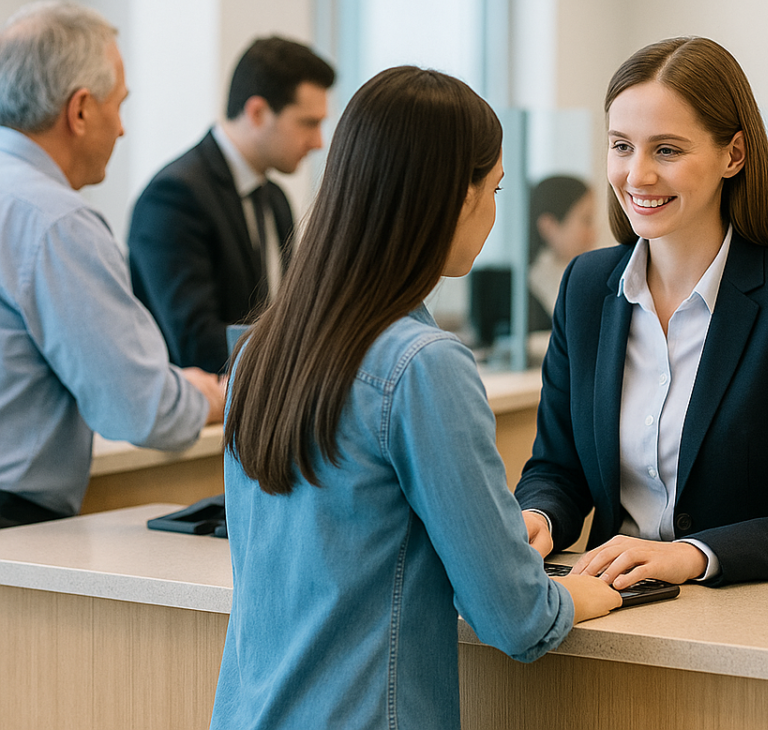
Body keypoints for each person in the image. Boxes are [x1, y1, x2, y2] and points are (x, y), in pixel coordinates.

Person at [210, 66, 621, 730]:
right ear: (459, 197)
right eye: (494, 189)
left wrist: (489, 535)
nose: (493, 211)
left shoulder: (260, 350)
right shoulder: (423, 367)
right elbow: (514, 618)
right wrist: (578, 593)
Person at [515, 36, 768, 588]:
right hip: (609, 609)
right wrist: (537, 516)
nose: (636, 175)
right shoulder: (587, 287)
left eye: (666, 150)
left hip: (747, 624)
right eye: (621, 146)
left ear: (732, 155)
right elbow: (557, 468)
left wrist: (696, 554)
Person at [0, 0, 223, 529]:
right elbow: (139, 409)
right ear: (79, 111)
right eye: (118, 105)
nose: (122, 129)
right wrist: (206, 397)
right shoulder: (56, 222)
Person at [128, 36, 335, 373]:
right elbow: (196, 343)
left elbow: (281, 314)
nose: (317, 142)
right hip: (198, 417)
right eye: (308, 123)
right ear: (257, 112)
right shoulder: (173, 197)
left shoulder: (276, 200)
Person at [527, 175, 597, 331]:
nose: (592, 235)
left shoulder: (584, 275)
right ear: (549, 226)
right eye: (586, 221)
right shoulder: (531, 287)